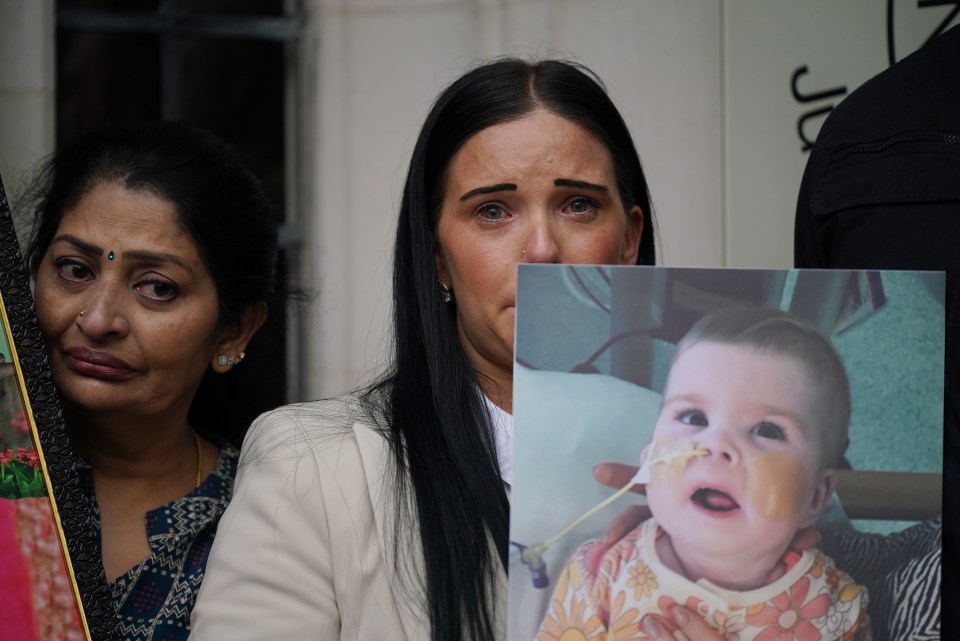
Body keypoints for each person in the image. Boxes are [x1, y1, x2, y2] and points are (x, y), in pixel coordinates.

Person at [188, 57, 655, 641]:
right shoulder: (313, 467)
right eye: (493, 210)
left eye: (578, 205)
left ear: (629, 240)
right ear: (438, 259)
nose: (541, 250)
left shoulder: (723, 462)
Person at [23, 120, 281, 641]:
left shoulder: (266, 521)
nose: (97, 319)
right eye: (74, 269)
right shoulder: (15, 477)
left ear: (234, 331)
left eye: (157, 287)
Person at [537, 307, 870, 640]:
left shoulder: (838, 610)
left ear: (815, 496)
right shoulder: (600, 577)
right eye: (694, 418)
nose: (716, 444)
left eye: (768, 430)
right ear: (649, 460)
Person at [794, 22, 957, 641]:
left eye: (766, 430)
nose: (725, 449)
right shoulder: (610, 568)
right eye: (692, 420)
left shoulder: (860, 134)